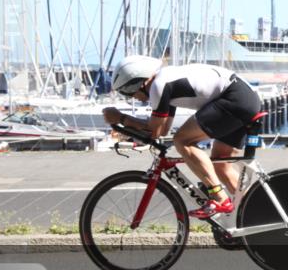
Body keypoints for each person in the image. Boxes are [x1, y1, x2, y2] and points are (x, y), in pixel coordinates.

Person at [102, 55, 262, 218]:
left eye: (127, 91)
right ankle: (258, 214)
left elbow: (155, 131)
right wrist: (127, 125)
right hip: (244, 98)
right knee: (221, 165)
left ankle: (219, 199)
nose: (131, 97)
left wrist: (121, 118)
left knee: (183, 141)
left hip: (234, 98)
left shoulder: (159, 86)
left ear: (139, 82)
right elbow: (162, 130)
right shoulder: (164, 81)